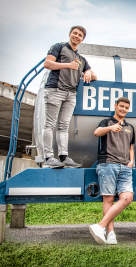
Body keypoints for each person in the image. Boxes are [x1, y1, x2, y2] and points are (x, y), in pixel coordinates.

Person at [43, 25, 97, 168]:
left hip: (70, 94)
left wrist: (87, 73)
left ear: (82, 39)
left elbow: (94, 75)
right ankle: (48, 157)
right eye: (75, 33)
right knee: (50, 124)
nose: (77, 36)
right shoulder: (59, 47)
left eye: (80, 35)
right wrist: (67, 65)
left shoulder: (81, 59)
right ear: (70, 34)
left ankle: (63, 157)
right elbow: (47, 64)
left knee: (63, 126)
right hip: (55, 89)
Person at [89, 97, 135, 245]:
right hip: (108, 164)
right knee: (108, 199)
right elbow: (96, 133)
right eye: (121, 106)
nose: (123, 109)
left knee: (127, 198)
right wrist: (110, 128)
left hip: (125, 167)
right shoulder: (106, 122)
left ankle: (100, 226)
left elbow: (131, 147)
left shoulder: (130, 127)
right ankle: (110, 233)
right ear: (116, 106)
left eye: (126, 108)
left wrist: (131, 160)